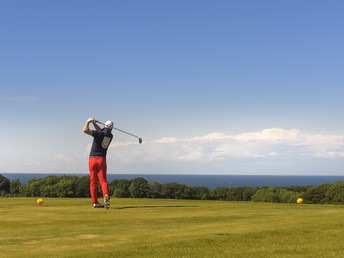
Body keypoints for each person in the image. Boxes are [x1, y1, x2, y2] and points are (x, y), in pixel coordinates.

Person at [83, 118, 113, 208]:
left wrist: (88, 121)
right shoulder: (110, 136)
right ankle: (106, 195)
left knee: (93, 182)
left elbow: (85, 130)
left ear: (104, 125)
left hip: (92, 160)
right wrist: (94, 123)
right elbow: (101, 131)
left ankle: (95, 202)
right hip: (102, 160)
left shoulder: (99, 133)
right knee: (103, 180)